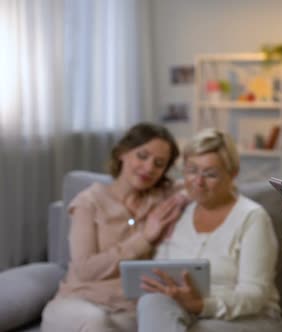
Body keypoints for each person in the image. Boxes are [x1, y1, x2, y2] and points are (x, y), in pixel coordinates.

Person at [41, 123, 185, 332]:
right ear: (122, 153)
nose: (149, 168)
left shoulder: (160, 198)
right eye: (142, 156)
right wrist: (143, 240)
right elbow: (86, 270)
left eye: (159, 163)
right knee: (96, 321)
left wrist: (182, 197)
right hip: (78, 305)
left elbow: (205, 184)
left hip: (127, 312)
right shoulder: (89, 202)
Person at [136, 128, 282, 332]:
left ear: (233, 174)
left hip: (247, 318)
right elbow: (160, 270)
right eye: (191, 170)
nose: (198, 182)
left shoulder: (252, 218)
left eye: (210, 174)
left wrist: (201, 305)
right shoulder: (178, 211)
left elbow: (255, 295)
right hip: (184, 312)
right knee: (151, 302)